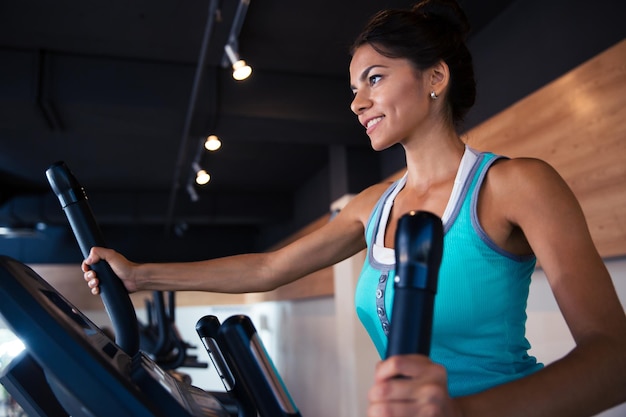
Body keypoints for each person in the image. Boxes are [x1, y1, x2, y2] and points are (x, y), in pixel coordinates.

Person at [83, 0, 626, 415]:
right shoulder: (373, 206)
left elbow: (614, 360)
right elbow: (269, 268)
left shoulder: (516, 185)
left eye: (375, 78)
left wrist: (460, 412)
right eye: (353, 87)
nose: (357, 102)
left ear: (435, 78)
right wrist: (139, 274)